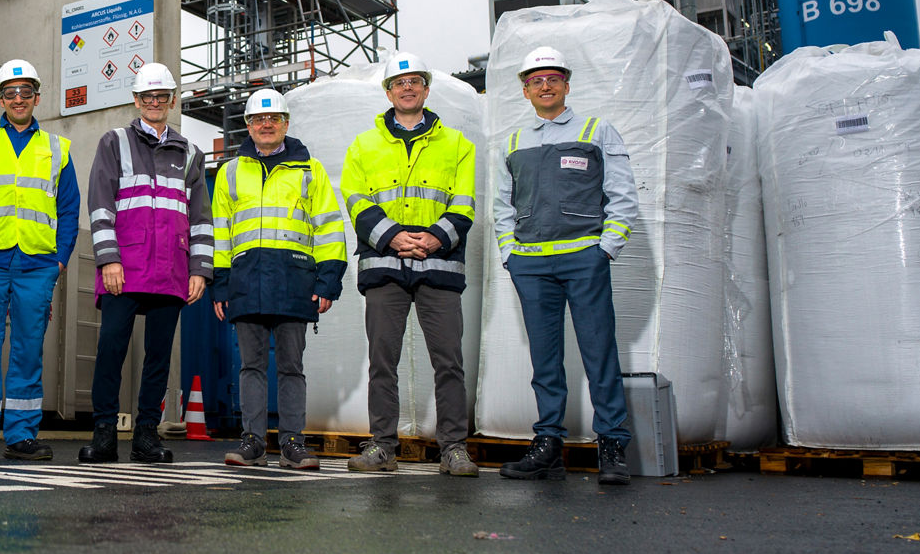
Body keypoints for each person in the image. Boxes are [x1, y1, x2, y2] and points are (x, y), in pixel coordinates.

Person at [494, 46, 638, 486]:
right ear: (525, 91)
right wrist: (509, 253)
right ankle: (549, 444)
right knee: (545, 359)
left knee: (599, 352)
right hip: (531, 264)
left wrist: (606, 249)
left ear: (566, 85)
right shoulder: (514, 142)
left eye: (553, 78)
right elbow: (502, 205)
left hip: (583, 259)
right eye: (536, 80)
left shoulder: (596, 130)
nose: (545, 86)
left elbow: (622, 193)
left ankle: (612, 444)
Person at [340, 52, 480, 477]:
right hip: (385, 263)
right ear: (388, 93)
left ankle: (453, 448)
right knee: (383, 362)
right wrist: (393, 237)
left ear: (426, 89)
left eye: (415, 81)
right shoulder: (363, 145)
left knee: (449, 362)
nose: (407, 88)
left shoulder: (457, 144)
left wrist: (435, 237)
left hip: (439, 264)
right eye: (399, 83)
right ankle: (383, 447)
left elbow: (464, 202)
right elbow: (356, 200)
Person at [78, 62, 212, 464]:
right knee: (111, 349)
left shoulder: (190, 153)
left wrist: (199, 270)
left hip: (171, 269)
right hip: (125, 266)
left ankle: (146, 435)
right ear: (136, 101)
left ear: (172, 101)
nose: (154, 102)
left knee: (158, 357)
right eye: (147, 97)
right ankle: (104, 434)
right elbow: (100, 205)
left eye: (161, 97)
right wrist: (108, 260)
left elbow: (200, 218)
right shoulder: (114, 142)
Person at [0, 60, 80, 462]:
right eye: (10, 92)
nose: (18, 99)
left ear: (37, 98)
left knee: (28, 350)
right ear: (0, 99)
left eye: (26, 92)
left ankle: (22, 435)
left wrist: (59, 261)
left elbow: (69, 208)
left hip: (37, 266)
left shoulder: (57, 148)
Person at [213, 89, 347, 469]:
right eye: (259, 119)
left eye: (274, 119)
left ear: (286, 124)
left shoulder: (310, 170)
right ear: (248, 126)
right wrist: (220, 284)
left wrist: (328, 280)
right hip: (246, 281)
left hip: (294, 281)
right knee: (251, 367)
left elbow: (329, 227)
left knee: (291, 367)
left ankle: (292, 443)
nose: (266, 125)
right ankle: (253, 443)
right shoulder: (229, 172)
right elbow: (220, 234)